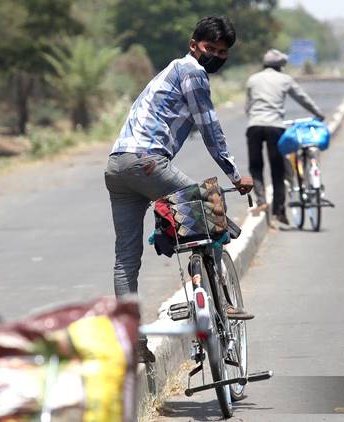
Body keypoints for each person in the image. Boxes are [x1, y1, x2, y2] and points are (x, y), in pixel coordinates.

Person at [105, 16, 254, 361]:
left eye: (222, 52)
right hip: (147, 162)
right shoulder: (192, 72)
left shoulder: (168, 72)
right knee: (212, 209)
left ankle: (132, 344)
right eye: (209, 48)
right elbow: (210, 127)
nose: (214, 56)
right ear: (193, 45)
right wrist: (234, 174)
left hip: (117, 167)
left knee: (126, 259)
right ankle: (220, 302)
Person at [245, 49, 324, 224]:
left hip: (255, 126)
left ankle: (261, 200)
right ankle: (279, 210)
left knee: (256, 166)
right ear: (281, 67)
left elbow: (248, 107)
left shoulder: (253, 79)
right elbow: (302, 98)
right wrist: (318, 113)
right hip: (275, 127)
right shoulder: (285, 79)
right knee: (277, 169)